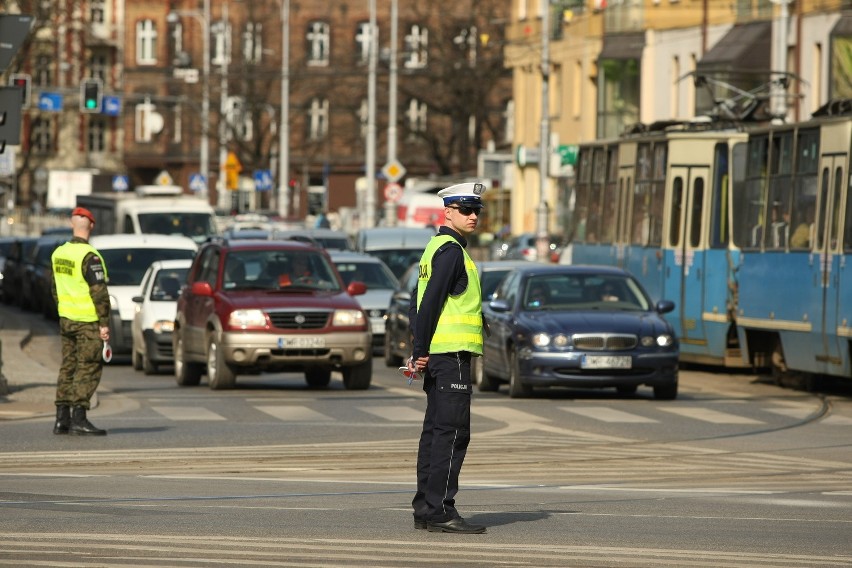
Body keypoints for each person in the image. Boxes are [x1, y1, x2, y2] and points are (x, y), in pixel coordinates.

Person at [407, 181, 487, 534]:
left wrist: (420, 350)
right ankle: (440, 510)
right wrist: (420, 350)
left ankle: (426, 508)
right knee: (452, 435)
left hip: (439, 355)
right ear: (448, 211)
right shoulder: (452, 252)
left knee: (435, 433)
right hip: (450, 356)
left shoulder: (434, 248)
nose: (473, 216)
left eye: (476, 211)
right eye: (465, 210)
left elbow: (416, 301)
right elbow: (429, 303)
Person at [50, 207, 111, 436]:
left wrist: (62, 310)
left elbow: (54, 288)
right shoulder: (90, 256)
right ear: (91, 226)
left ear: (71, 224)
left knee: (68, 367)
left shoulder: (59, 254)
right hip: (87, 321)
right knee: (88, 368)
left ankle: (61, 419)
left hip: (66, 320)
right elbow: (99, 293)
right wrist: (104, 324)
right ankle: (79, 418)